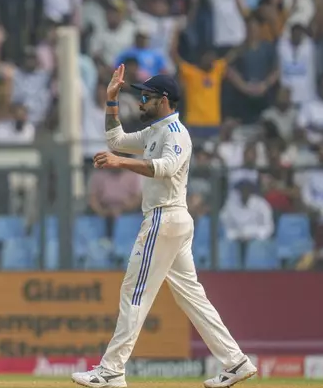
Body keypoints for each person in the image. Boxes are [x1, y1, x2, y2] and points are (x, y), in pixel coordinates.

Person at [71, 65, 257, 388]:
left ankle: (112, 370)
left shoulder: (176, 133)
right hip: (171, 220)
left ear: (164, 100)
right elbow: (116, 140)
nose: (141, 101)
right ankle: (236, 362)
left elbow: (166, 168)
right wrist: (111, 101)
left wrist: (121, 163)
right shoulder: (154, 130)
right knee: (192, 297)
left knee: (134, 291)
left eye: (147, 96)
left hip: (165, 216)